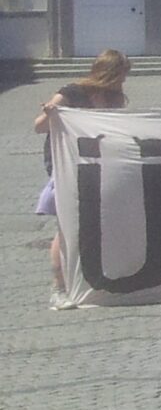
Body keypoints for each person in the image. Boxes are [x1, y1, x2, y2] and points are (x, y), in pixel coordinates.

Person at [33, 49, 129, 294]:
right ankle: (59, 287)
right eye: (121, 75)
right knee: (68, 224)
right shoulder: (72, 92)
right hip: (65, 163)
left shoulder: (114, 98)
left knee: (101, 219)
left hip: (97, 161)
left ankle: (97, 275)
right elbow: (39, 127)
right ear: (108, 74)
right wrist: (52, 115)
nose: (124, 81)